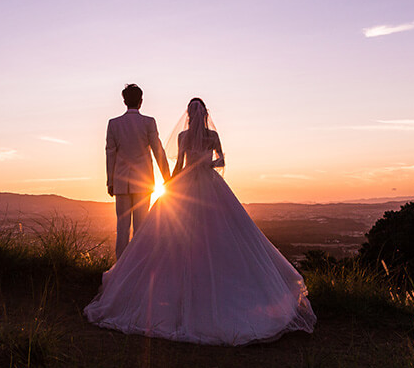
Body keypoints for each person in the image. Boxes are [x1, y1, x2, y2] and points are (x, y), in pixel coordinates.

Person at [85, 97, 316, 345]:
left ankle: (141, 281)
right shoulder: (212, 137)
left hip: (183, 184)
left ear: (189, 115)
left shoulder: (183, 137)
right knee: (220, 234)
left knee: (174, 236)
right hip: (209, 184)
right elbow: (221, 161)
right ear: (205, 114)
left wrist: (171, 185)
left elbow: (179, 166)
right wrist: (206, 164)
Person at [105, 84, 171, 259]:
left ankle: (120, 267)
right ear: (141, 101)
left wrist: (110, 181)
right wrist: (167, 177)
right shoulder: (148, 122)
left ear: (124, 101)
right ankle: (137, 267)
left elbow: (110, 153)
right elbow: (158, 150)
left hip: (120, 182)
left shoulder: (114, 124)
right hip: (143, 182)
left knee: (122, 227)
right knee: (141, 228)